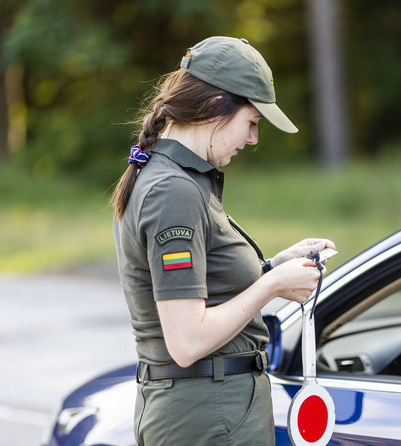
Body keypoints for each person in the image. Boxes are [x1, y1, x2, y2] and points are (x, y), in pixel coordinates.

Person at [111, 36, 335, 446]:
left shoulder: (183, 180)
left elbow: (209, 291)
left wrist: (274, 267)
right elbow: (187, 340)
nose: (253, 139)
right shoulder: (173, 191)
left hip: (209, 412)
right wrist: (272, 286)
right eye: (252, 123)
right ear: (216, 107)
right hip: (207, 417)